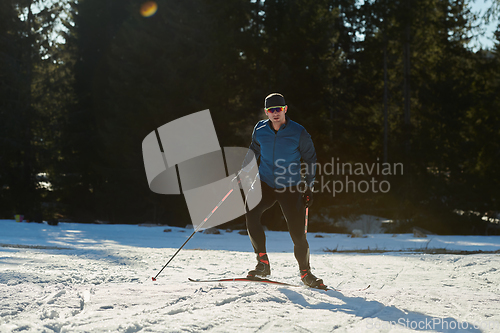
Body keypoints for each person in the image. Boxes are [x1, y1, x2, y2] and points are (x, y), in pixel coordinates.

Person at [239, 92, 323, 288]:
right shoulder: (260, 129)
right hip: (266, 183)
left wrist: (309, 186)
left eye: (279, 109)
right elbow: (254, 149)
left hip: (290, 186)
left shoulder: (299, 132)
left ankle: (305, 273)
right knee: (251, 212)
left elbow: (310, 159)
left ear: (285, 109)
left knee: (297, 233)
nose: (275, 113)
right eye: (271, 110)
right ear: (266, 112)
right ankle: (262, 264)